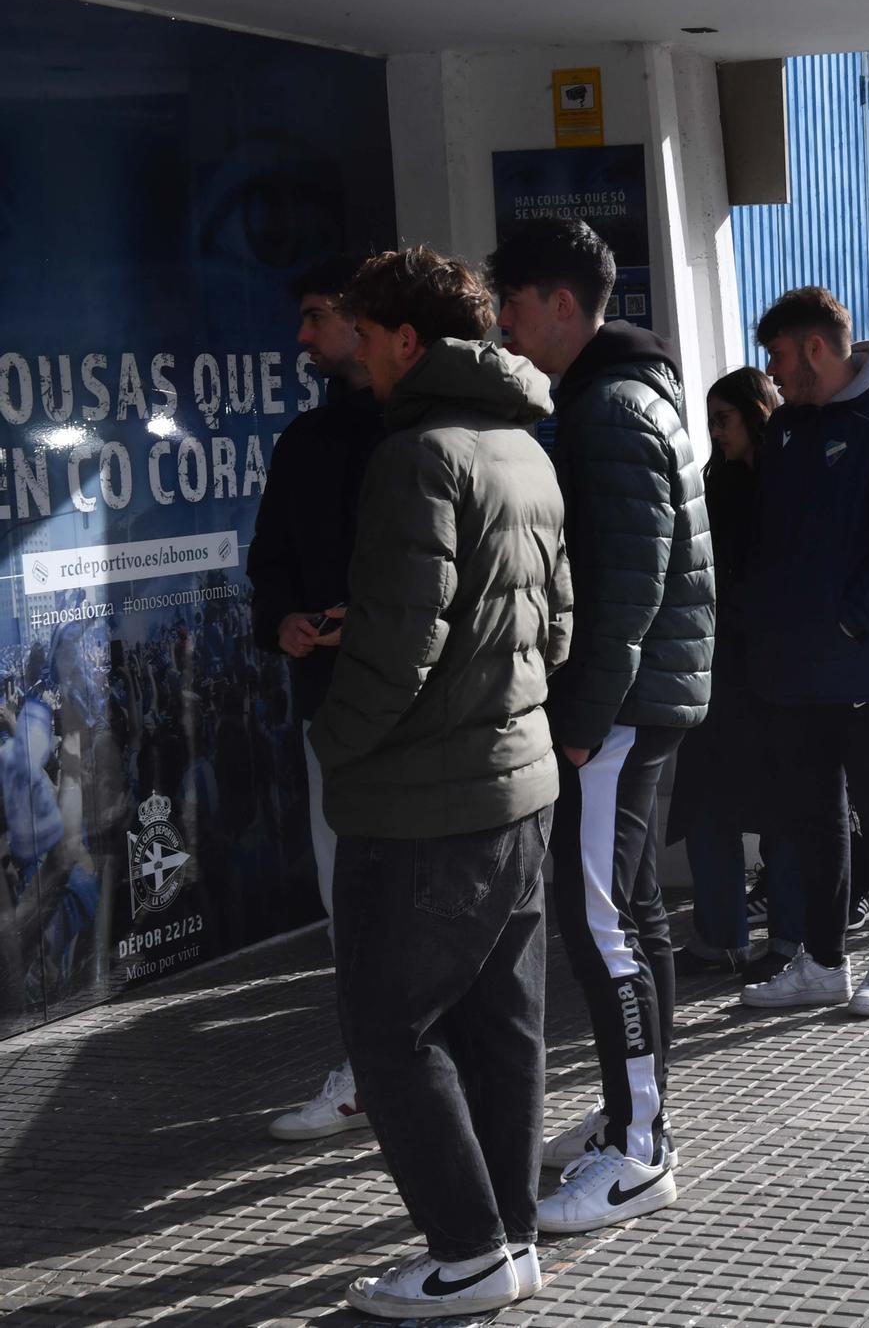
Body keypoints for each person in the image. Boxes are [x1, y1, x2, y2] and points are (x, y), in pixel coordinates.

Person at [311, 247, 570, 1319]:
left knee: (389, 1031)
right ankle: (507, 1242)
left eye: (365, 336)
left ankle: (467, 1252)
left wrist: (334, 740)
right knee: (499, 1030)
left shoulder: (416, 456)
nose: (356, 355)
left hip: (426, 806)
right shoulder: (523, 449)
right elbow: (557, 628)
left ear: (408, 341)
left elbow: (397, 648)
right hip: (517, 789)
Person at [485, 219, 715, 1233]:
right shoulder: (623, 392)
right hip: (636, 702)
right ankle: (633, 1114)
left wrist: (580, 721)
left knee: (601, 923)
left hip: (615, 709)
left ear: (562, 304)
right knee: (631, 913)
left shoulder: (612, 408)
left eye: (513, 303)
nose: (502, 323)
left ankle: (638, 1150)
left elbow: (625, 590)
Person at [738, 287, 869, 1019]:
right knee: (815, 819)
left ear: (817, 348)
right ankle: (823, 962)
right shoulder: (791, 427)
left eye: (779, 355)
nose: (772, 372)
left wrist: (854, 624)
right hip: (799, 669)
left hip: (864, 667)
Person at [249, 254, 386, 1144]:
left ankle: (434, 1069)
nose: (302, 336)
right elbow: (269, 559)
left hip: (426, 715)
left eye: (315, 316)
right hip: (329, 710)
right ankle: (371, 1068)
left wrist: (364, 624)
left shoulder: (428, 431)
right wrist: (286, 622)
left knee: (432, 902)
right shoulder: (304, 440)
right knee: (350, 899)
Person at [670, 368, 804, 984]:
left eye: (723, 420)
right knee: (709, 808)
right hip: (721, 671)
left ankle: (788, 938)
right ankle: (721, 937)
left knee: (784, 812)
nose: (716, 432)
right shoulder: (714, 483)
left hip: (776, 672)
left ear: (755, 413)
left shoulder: (789, 482)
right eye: (711, 422)